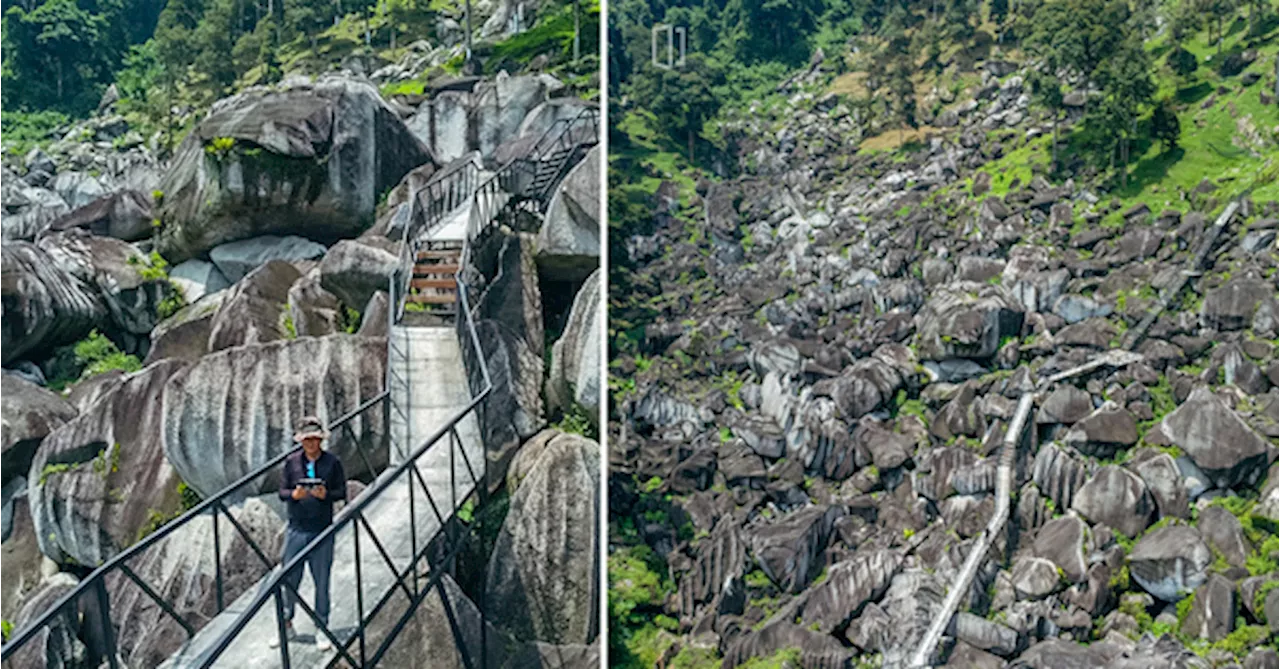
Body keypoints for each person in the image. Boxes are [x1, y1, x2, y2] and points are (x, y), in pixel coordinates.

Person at [269, 416, 346, 652]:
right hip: (296, 528)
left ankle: (321, 626)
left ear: (321, 440)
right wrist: (294, 495)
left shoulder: (332, 463)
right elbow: (282, 491)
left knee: (321, 581)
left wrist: (326, 495)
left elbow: (341, 491)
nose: (311, 443)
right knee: (289, 578)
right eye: (307, 439)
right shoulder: (291, 463)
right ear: (301, 441)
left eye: (315, 439)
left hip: (322, 529)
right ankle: (286, 623)